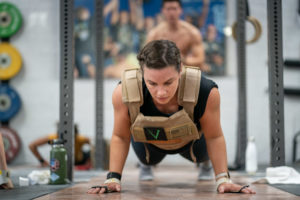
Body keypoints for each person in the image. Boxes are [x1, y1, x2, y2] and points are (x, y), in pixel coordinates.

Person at [87, 40, 256, 194]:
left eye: (168, 82)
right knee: (146, 159)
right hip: (148, 144)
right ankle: (146, 166)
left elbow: (214, 137)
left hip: (192, 144)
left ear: (180, 69)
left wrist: (223, 179)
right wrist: (113, 178)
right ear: (142, 73)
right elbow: (120, 136)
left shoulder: (205, 91)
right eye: (152, 83)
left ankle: (205, 164)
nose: (161, 92)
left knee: (204, 155)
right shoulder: (123, 92)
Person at [146, 0, 208, 71]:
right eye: (168, 9)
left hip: (184, 72)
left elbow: (200, 60)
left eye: (174, 9)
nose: (172, 13)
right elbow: (147, 61)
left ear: (181, 10)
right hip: (161, 75)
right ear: (162, 11)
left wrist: (182, 60)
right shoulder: (154, 34)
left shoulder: (192, 33)